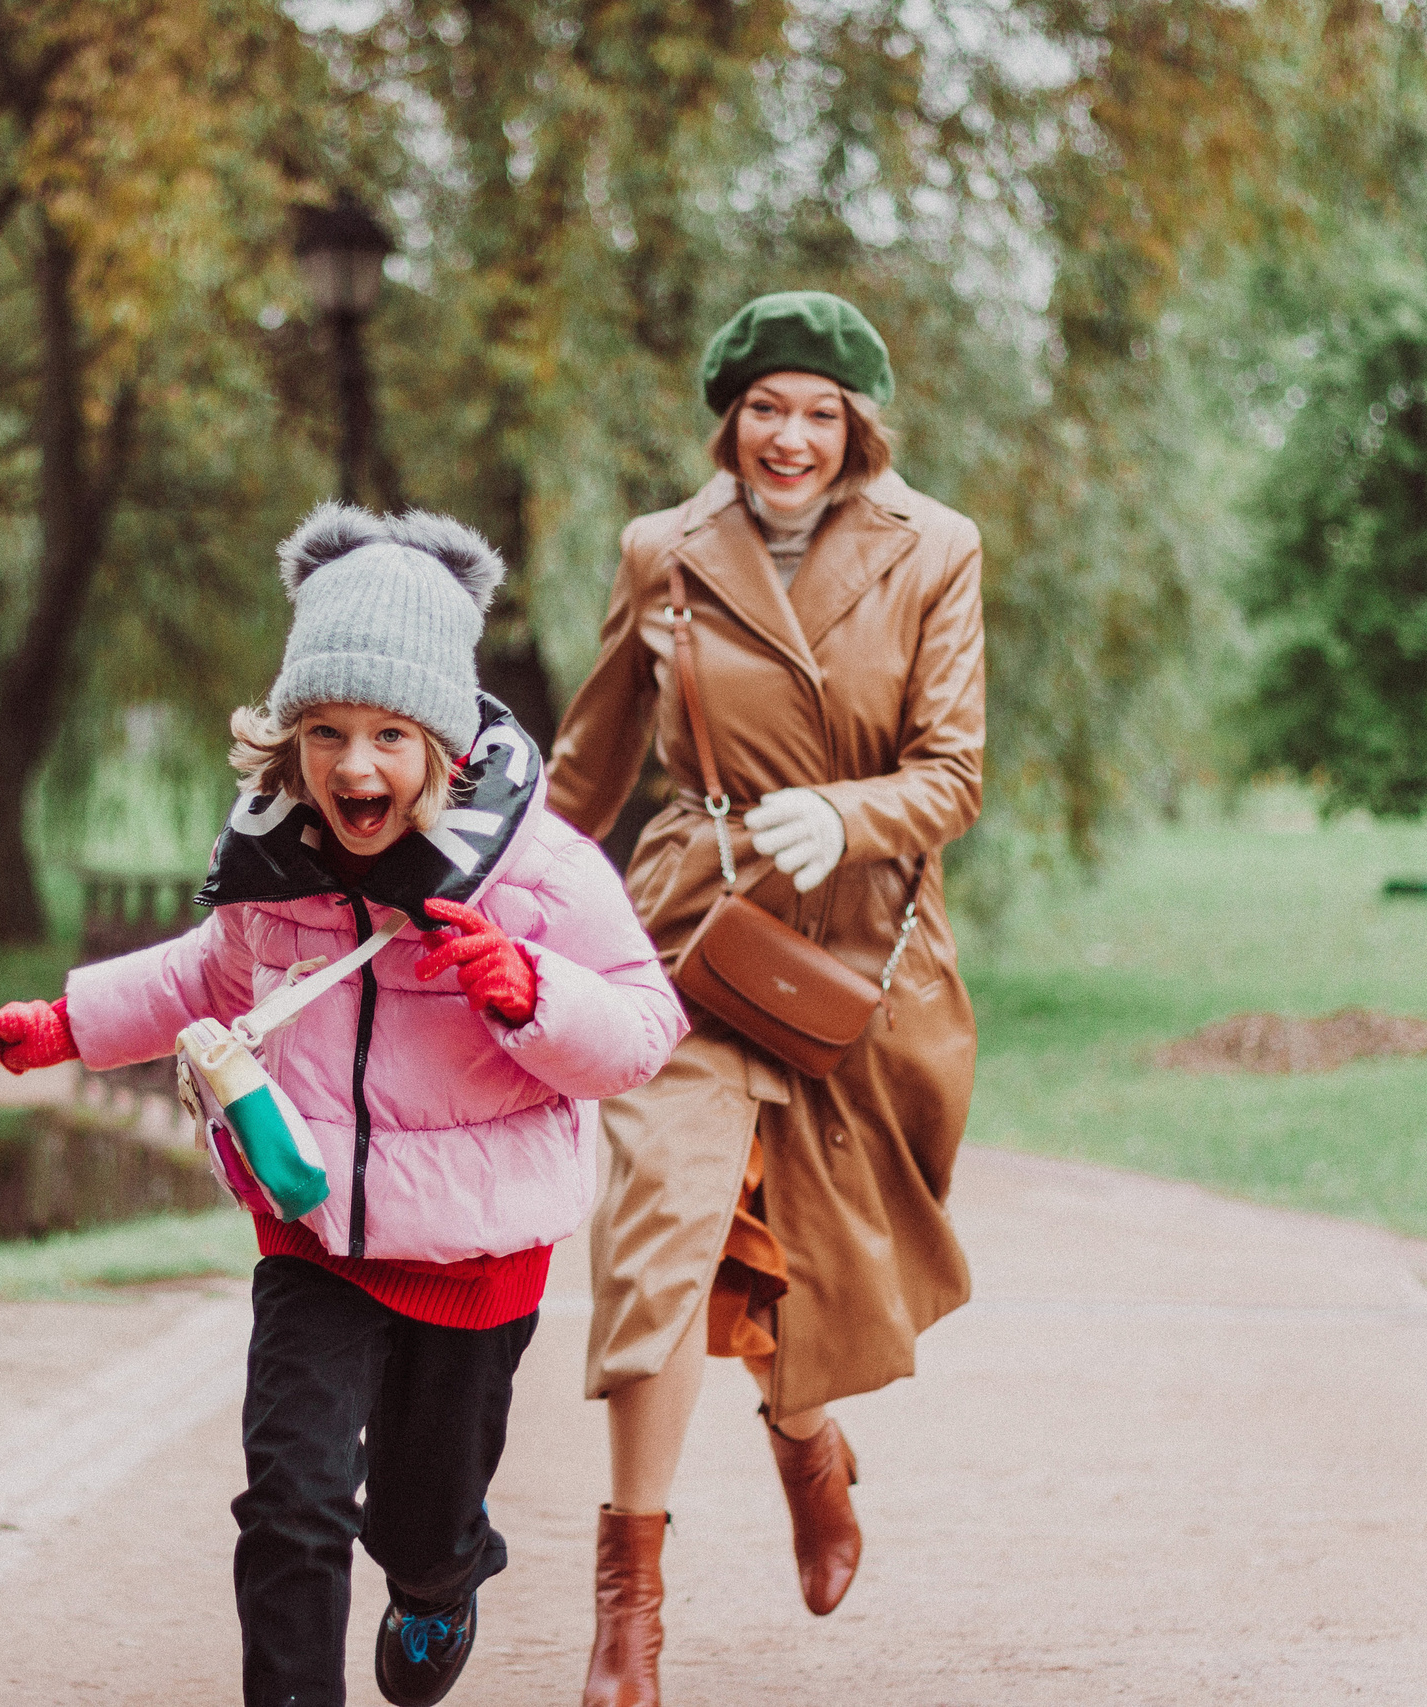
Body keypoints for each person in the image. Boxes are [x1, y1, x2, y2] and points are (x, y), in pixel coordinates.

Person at [0, 504, 686, 1707]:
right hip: (314, 1234)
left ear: (444, 742)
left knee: (419, 1523)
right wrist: (65, 1024)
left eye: (391, 735)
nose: (356, 768)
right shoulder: (276, 869)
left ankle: (440, 1580)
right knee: (290, 1501)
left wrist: (528, 992)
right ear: (288, 739)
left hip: (474, 1254)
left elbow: (645, 1029)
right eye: (327, 733)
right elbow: (206, 978)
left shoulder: (541, 873)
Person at [545, 290, 986, 1705]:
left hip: (861, 954)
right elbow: (587, 771)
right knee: (660, 1246)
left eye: (818, 411)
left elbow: (953, 772)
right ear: (729, 419)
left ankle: (805, 1441)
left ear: (857, 426)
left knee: (805, 1255)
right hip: (693, 936)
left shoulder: (936, 548)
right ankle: (629, 1607)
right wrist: (487, 901)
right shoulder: (663, 554)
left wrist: (847, 816)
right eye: (764, 408)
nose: (789, 437)